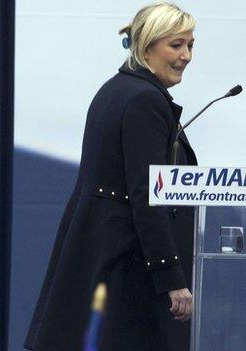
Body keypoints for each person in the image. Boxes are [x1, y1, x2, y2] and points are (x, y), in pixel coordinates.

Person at [24, 3, 196, 350]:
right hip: (129, 271)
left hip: (106, 258)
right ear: (147, 45)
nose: (187, 56)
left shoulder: (115, 90)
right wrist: (171, 278)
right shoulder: (145, 100)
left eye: (190, 45)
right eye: (176, 45)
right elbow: (146, 194)